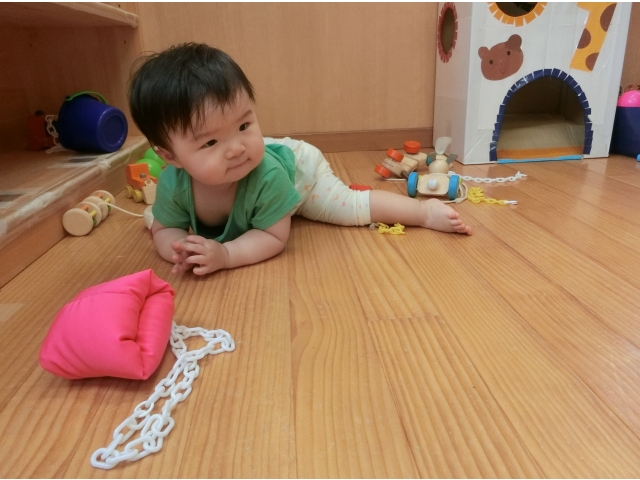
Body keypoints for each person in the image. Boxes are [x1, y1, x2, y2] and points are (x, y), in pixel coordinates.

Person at [129, 43, 471, 276]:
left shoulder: (266, 175)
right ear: (170, 156)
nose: (236, 149)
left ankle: (423, 213)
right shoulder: (173, 184)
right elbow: (165, 229)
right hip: (272, 175)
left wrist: (227, 255)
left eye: (244, 126)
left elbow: (273, 238)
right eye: (211, 142)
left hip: (301, 172)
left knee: (347, 208)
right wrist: (180, 250)